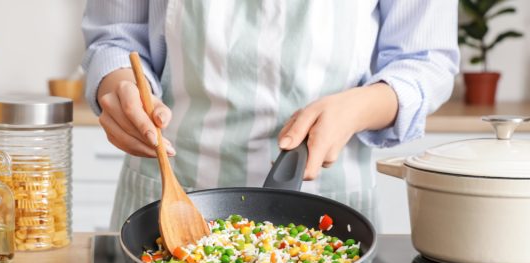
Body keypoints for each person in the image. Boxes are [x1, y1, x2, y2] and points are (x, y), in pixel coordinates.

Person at [82, 1, 459, 230]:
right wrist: (119, 88)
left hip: (325, 201)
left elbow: (425, 61)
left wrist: (358, 108)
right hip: (173, 193)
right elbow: (116, 38)